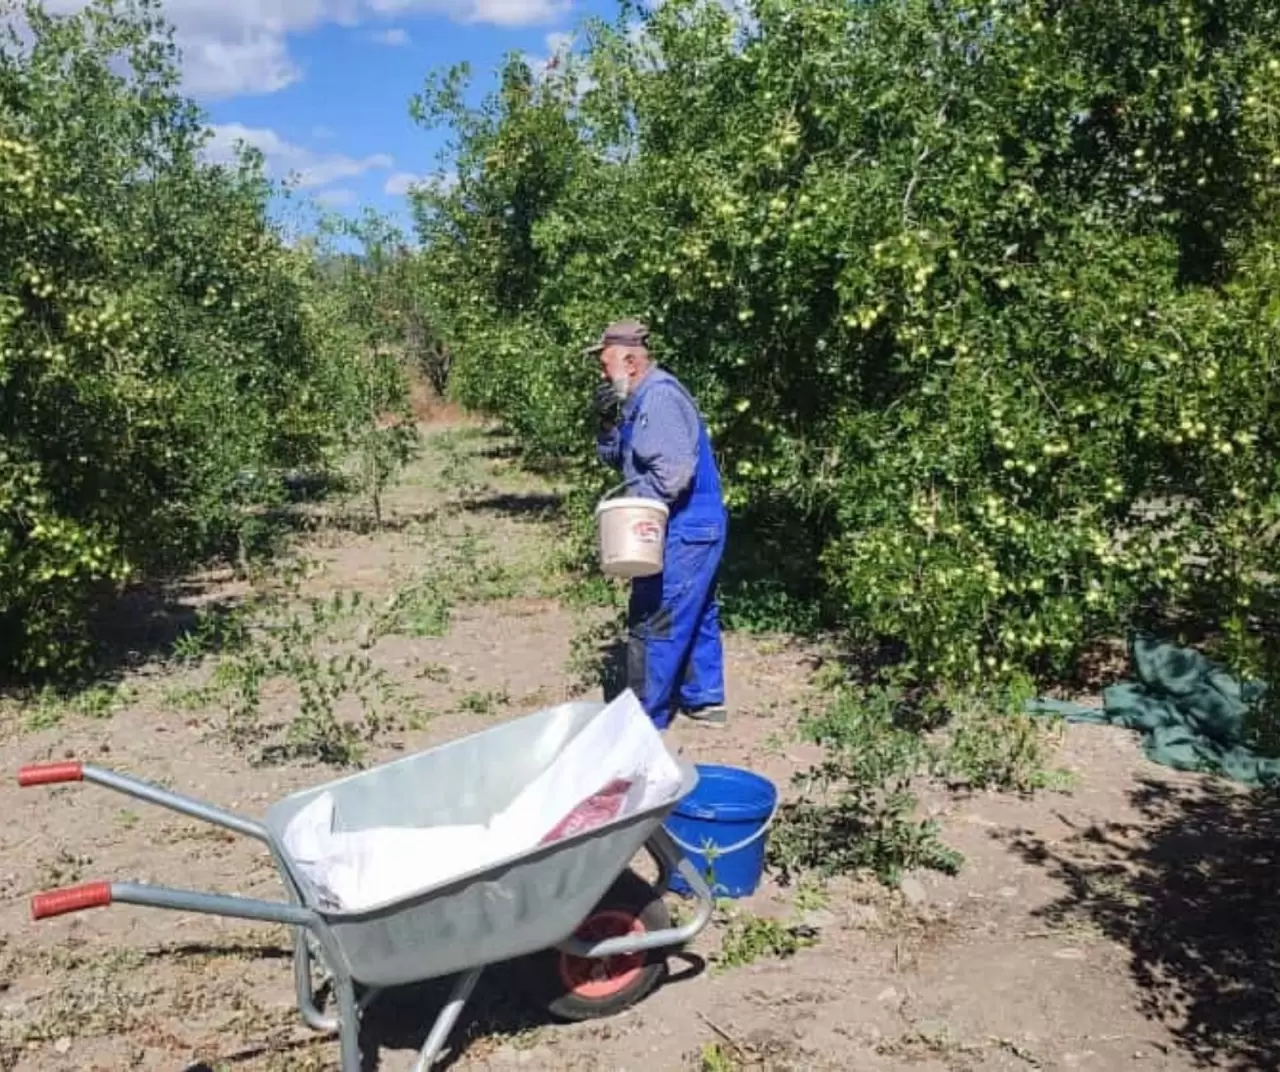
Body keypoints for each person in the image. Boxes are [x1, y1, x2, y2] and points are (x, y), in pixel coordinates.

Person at [586, 318, 728, 730]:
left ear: (630, 362)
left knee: (656, 613)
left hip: (686, 524)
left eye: (605, 364)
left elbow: (673, 476)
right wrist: (607, 424)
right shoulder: (638, 400)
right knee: (696, 610)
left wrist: (632, 510)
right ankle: (704, 699)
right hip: (692, 523)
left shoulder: (660, 399)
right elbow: (620, 458)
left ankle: (644, 717)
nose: (602, 374)